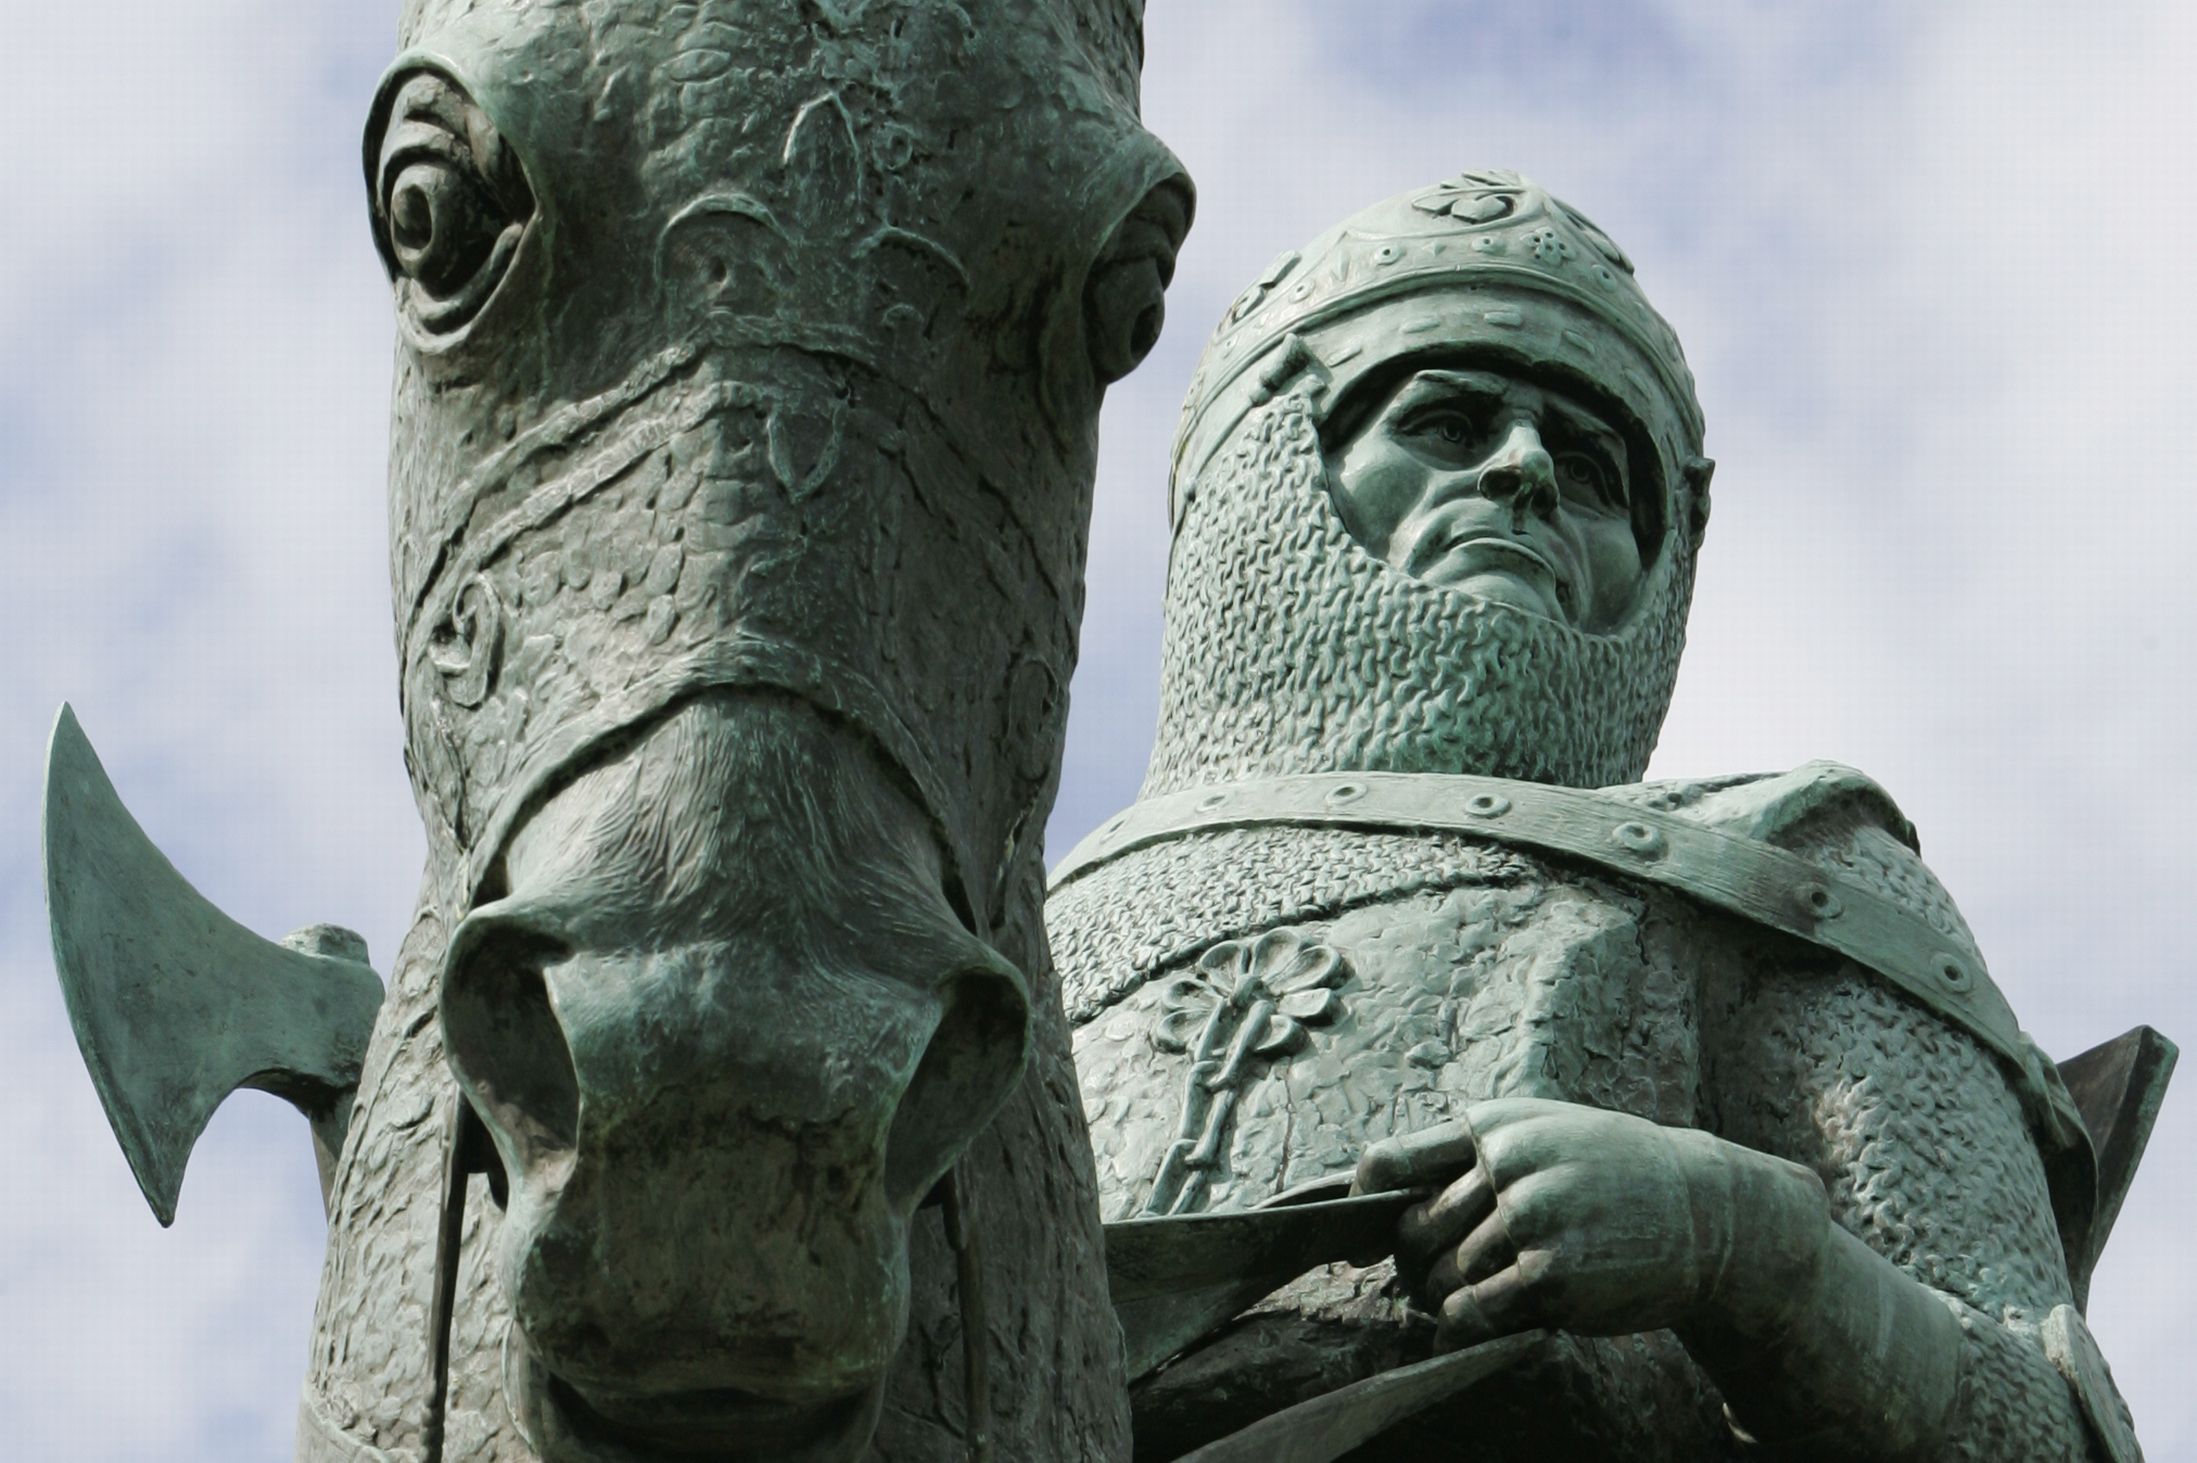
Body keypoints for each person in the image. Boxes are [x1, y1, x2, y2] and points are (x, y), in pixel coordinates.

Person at [1050, 170, 2143, 1460]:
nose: (1521, 470)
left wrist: (1746, 1248)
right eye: (1450, 422)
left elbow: (2048, 1434)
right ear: (1276, 480)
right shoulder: (1028, 925)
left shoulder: (1778, 866)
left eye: (1590, 467)